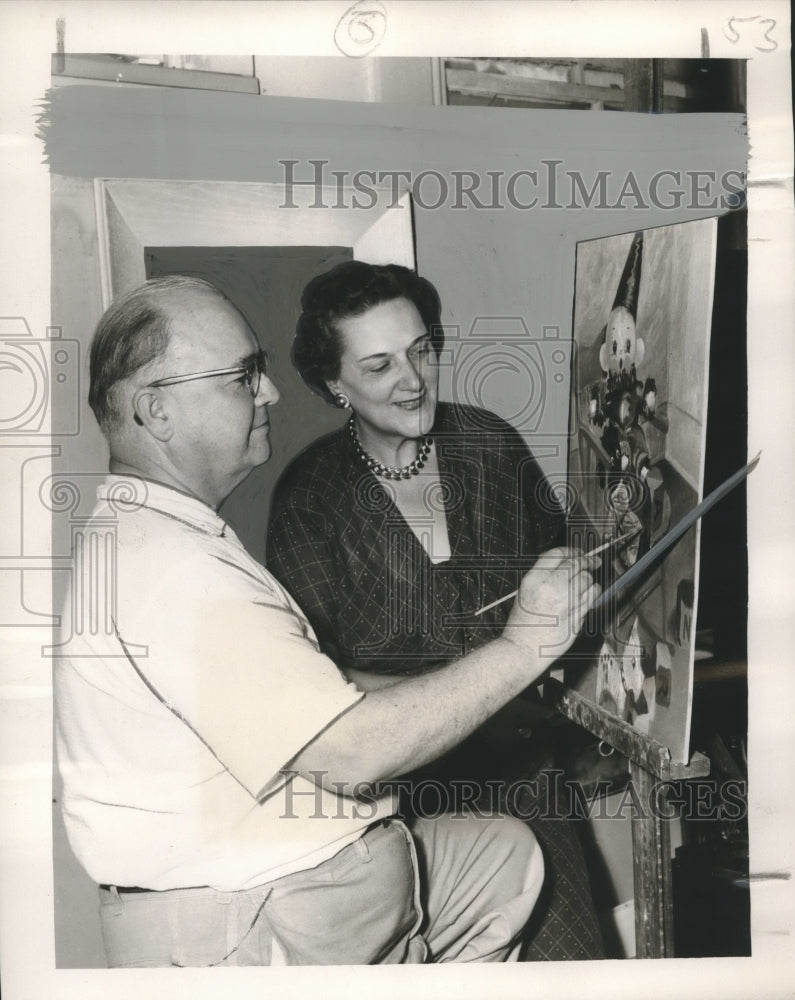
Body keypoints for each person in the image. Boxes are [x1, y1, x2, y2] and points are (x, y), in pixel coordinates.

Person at [54, 275, 599, 968]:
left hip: (351, 864)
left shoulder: (162, 539)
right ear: (157, 411)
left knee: (508, 859)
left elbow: (315, 691)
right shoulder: (178, 566)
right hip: (259, 913)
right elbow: (349, 752)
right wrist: (524, 646)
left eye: (421, 351)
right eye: (242, 376)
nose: (268, 392)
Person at [266, 261, 605, 960]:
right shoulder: (311, 494)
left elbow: (568, 598)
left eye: (421, 350)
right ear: (334, 383)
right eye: (379, 364)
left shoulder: (490, 446)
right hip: (404, 813)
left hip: (527, 782)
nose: (412, 379)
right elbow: (312, 686)